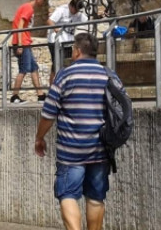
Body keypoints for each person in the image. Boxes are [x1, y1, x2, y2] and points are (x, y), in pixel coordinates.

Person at [35, 32, 116, 230]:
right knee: (96, 198)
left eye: (72, 49)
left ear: (77, 51)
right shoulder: (109, 75)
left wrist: (39, 138)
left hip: (71, 152)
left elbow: (49, 113)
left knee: (68, 195)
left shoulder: (65, 75)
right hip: (100, 149)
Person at [10, 0, 48, 104]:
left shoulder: (27, 7)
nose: (43, 0)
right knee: (23, 69)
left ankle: (40, 95)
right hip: (22, 43)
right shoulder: (28, 8)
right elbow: (20, 25)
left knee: (33, 68)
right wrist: (20, 45)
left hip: (25, 42)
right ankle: (14, 96)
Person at [48, 0, 88, 84]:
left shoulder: (78, 14)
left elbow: (88, 20)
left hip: (67, 43)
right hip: (56, 42)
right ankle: (52, 85)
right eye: (75, 9)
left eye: (78, 10)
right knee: (56, 65)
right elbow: (50, 21)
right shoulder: (62, 10)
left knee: (68, 64)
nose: (76, 12)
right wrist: (56, 29)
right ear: (71, 6)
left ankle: (65, 84)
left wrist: (100, 16)